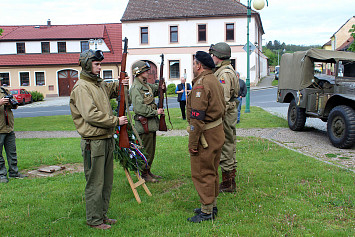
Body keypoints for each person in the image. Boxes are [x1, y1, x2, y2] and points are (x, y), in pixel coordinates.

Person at [70, 49, 128, 230]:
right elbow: (91, 115)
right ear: (87, 65)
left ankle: (102, 215)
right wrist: (115, 121)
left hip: (106, 138)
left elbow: (108, 90)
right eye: (97, 64)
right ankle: (94, 220)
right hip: (93, 142)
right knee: (95, 182)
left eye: (100, 64)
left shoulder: (97, 83)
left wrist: (121, 83)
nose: (100, 67)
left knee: (106, 181)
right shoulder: (82, 87)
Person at [187, 51, 225, 223]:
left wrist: (193, 143)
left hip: (206, 135)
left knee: (202, 172)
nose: (193, 67)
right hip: (217, 132)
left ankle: (206, 211)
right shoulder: (214, 80)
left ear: (199, 65)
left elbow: (197, 117)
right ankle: (212, 205)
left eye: (194, 64)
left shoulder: (201, 85)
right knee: (213, 170)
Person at [209, 42, 239, 193]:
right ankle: (229, 181)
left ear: (218, 57)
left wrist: (214, 116)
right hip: (229, 113)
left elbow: (224, 100)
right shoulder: (224, 70)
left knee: (226, 144)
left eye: (213, 55)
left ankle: (228, 183)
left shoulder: (224, 74)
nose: (211, 57)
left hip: (225, 115)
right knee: (228, 143)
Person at [129, 60, 164, 183]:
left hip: (150, 124)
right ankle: (144, 173)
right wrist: (155, 112)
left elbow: (152, 89)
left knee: (151, 150)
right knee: (146, 150)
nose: (148, 72)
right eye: (145, 70)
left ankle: (148, 171)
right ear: (138, 72)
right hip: (144, 124)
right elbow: (139, 108)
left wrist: (160, 86)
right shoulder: (135, 88)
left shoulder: (144, 85)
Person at [0, 85, 27, 183]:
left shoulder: (4, 91)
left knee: (12, 152)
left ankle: (14, 172)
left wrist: (10, 103)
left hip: (8, 127)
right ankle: (1, 175)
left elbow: (15, 105)